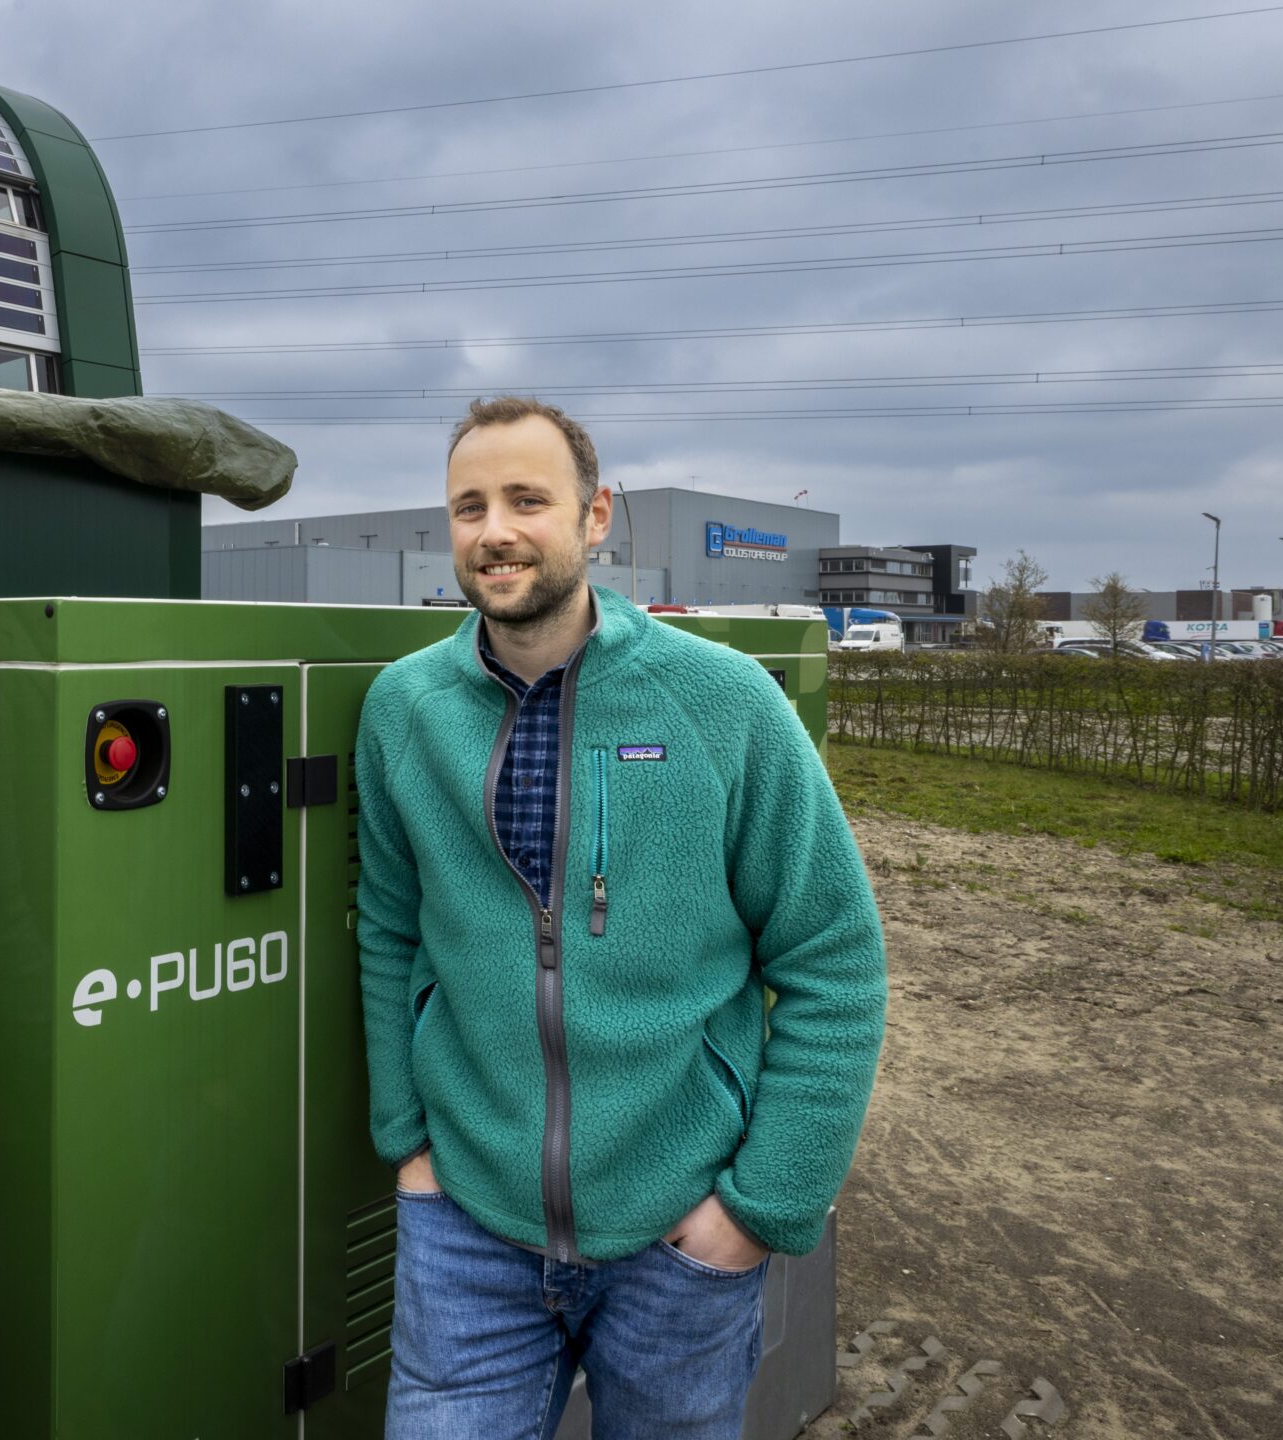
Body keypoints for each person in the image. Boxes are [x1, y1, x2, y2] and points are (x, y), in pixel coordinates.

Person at [354, 396, 886, 1438]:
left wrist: (756, 1208)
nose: (494, 530)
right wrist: (407, 1141)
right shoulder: (402, 707)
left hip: (678, 1242)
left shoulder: (724, 703)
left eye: (525, 499)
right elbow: (387, 925)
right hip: (466, 1224)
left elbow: (834, 960)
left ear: (595, 518)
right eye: (469, 506)